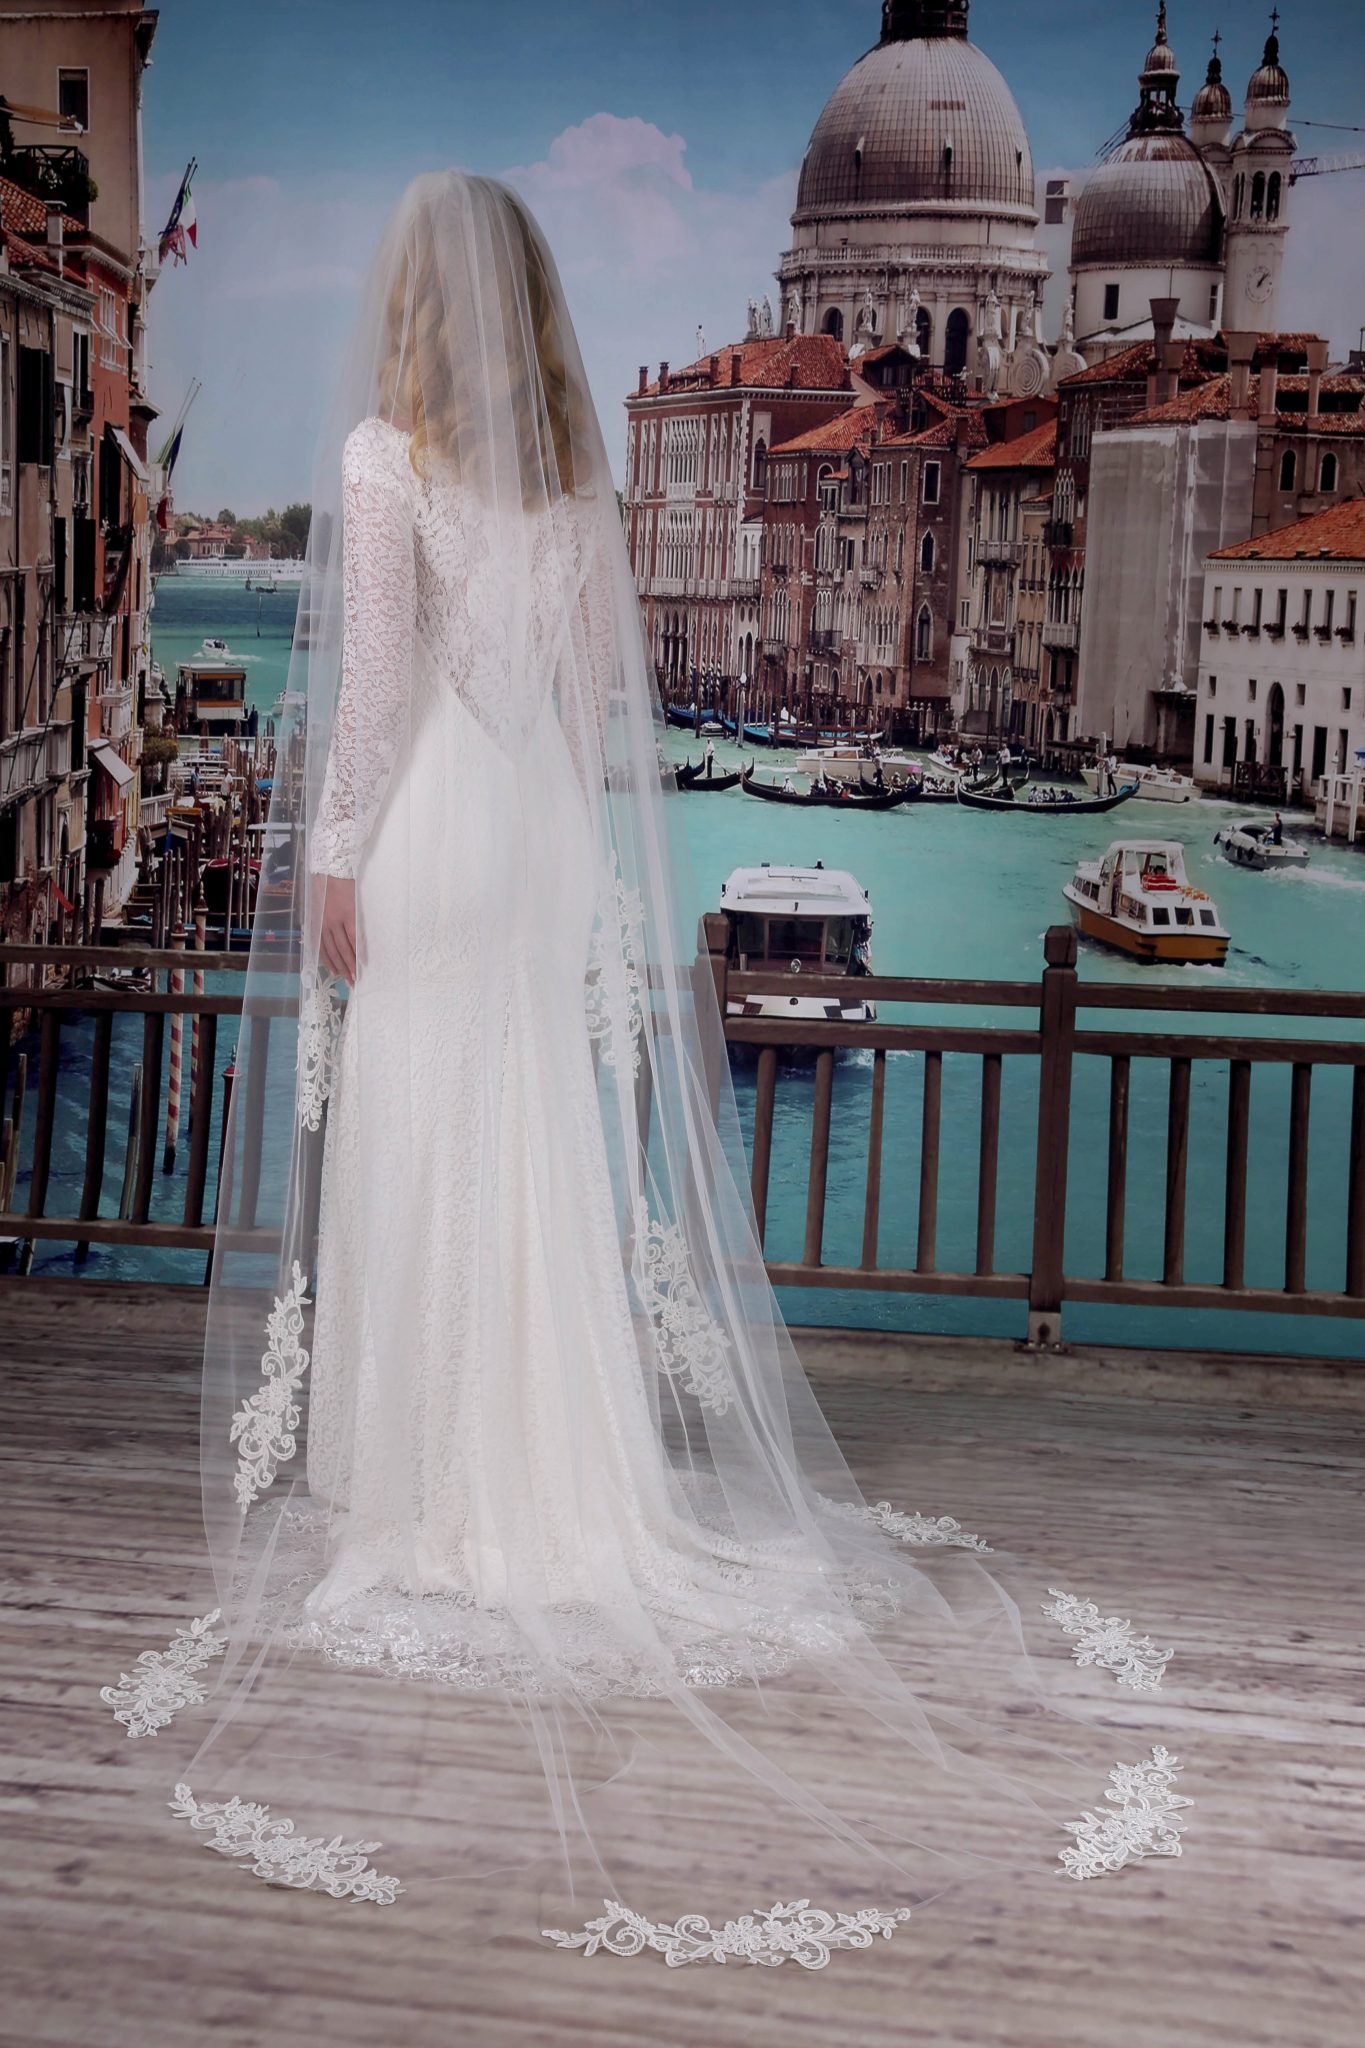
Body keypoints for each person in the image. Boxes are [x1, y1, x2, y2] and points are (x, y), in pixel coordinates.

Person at [149, 168, 1165, 1968]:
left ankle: (423, 1483)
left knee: (420, 1130)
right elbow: (572, 698)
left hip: (438, 827)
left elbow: (371, 693)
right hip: (540, 836)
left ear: (416, 305)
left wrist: (334, 855)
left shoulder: (387, 458)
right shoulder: (568, 483)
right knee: (537, 1141)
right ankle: (554, 1475)